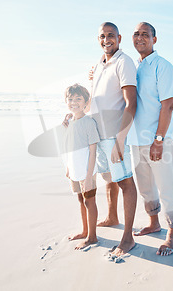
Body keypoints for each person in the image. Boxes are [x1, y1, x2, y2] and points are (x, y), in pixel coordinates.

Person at [82, 22, 138, 258]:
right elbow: (95, 100)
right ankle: (112, 216)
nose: (107, 40)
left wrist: (120, 139)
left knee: (125, 181)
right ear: (98, 39)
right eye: (102, 36)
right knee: (109, 178)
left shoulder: (124, 62)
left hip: (115, 134)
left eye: (111, 36)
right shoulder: (99, 64)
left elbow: (131, 103)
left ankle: (128, 237)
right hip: (97, 133)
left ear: (119, 37)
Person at [128, 22, 173, 256]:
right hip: (136, 139)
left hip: (159, 139)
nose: (140, 38)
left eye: (145, 34)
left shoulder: (163, 66)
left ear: (154, 39)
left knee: (166, 186)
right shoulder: (134, 68)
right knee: (145, 186)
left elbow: (168, 105)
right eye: (137, 34)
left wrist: (158, 140)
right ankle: (154, 222)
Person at [62, 84, 100, 250]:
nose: (74, 102)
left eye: (78, 99)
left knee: (89, 201)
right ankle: (85, 231)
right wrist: (69, 169)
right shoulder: (71, 121)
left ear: (86, 102)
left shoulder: (88, 122)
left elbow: (93, 151)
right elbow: (70, 147)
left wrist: (88, 175)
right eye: (70, 99)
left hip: (87, 171)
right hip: (75, 170)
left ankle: (92, 237)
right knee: (80, 199)